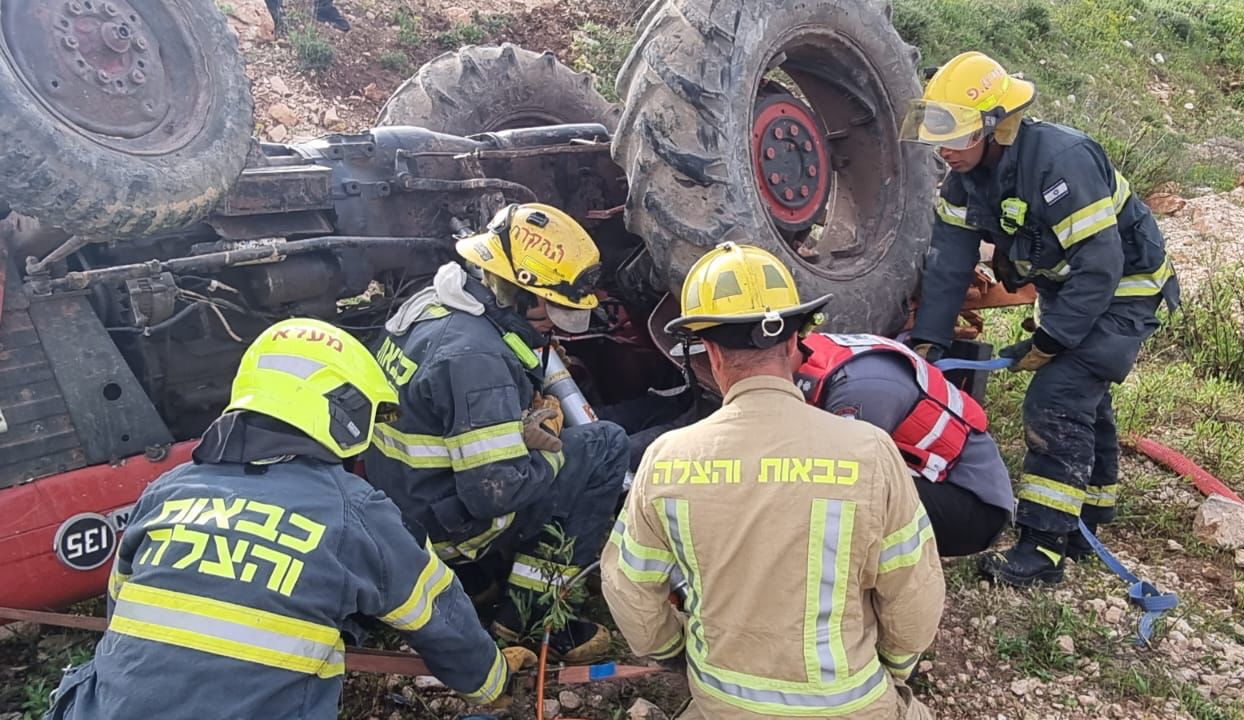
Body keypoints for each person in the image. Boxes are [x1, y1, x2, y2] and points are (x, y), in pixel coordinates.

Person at [44, 319, 533, 719]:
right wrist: (492, 683)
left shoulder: (167, 491)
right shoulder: (356, 513)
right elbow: (439, 616)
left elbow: (121, 610)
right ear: (344, 410)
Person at [601, 243, 943, 719]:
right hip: (851, 706)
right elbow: (914, 597)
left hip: (723, 706)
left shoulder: (666, 460)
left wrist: (673, 652)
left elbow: (629, 590)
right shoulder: (869, 453)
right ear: (793, 346)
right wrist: (895, 665)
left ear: (713, 355)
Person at [899, 51, 1180, 587]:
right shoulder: (967, 178)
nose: (944, 150)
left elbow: (1101, 265)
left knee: (1056, 398)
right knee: (1083, 397)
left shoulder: (1060, 162)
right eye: (939, 134)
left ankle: (1044, 547)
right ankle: (1092, 511)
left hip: (1125, 291)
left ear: (996, 125)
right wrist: (929, 341)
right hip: (1073, 291)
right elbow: (948, 264)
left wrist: (1052, 339)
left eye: (955, 135)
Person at [362, 203, 627, 662]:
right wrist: (547, 452)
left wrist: (513, 427)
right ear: (523, 291)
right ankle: (530, 612)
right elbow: (494, 493)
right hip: (452, 527)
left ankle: (477, 582)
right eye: (555, 309)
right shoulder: (477, 359)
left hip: (406, 515)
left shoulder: (436, 303)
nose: (554, 323)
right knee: (603, 445)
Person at [794, 331, 1014, 556]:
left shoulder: (856, 388)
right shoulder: (804, 354)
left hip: (972, 508)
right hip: (925, 480)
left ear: (786, 345)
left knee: (825, 493)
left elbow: (842, 483)